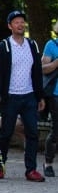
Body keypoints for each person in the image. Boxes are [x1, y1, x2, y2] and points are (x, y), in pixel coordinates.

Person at [0, 10, 45, 181]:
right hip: (10, 96)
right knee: (6, 133)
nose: (20, 25)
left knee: (33, 133)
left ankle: (31, 170)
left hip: (29, 95)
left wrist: (40, 96)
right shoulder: (5, 47)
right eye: (16, 22)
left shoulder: (32, 45)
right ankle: (0, 165)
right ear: (10, 26)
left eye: (22, 22)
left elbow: (37, 72)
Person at [41, 20, 58, 178]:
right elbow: (44, 69)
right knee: (56, 130)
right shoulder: (51, 45)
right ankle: (48, 163)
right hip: (56, 94)